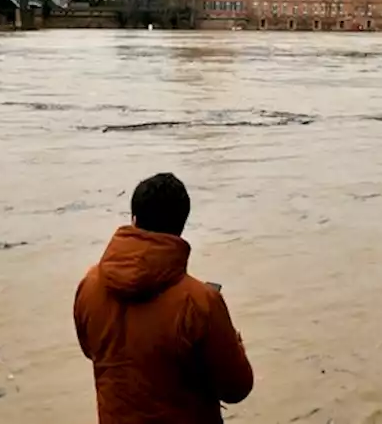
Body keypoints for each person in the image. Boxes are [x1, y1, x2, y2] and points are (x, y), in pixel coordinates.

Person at [74, 172, 254, 423]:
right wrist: (236, 344)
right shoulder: (200, 302)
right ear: (181, 227)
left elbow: (91, 351)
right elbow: (237, 389)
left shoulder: (89, 286)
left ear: (133, 219)